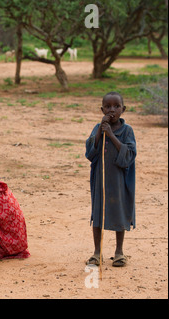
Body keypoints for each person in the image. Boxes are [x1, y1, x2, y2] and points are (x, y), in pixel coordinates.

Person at [85, 92, 137, 267]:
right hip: (100, 179)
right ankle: (97, 252)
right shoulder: (98, 127)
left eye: (116, 106)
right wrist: (101, 130)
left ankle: (119, 252)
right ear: (102, 109)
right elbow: (91, 152)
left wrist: (112, 136)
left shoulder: (127, 130)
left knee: (119, 212)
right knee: (98, 212)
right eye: (107, 107)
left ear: (123, 109)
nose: (112, 110)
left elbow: (129, 154)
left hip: (119, 180)